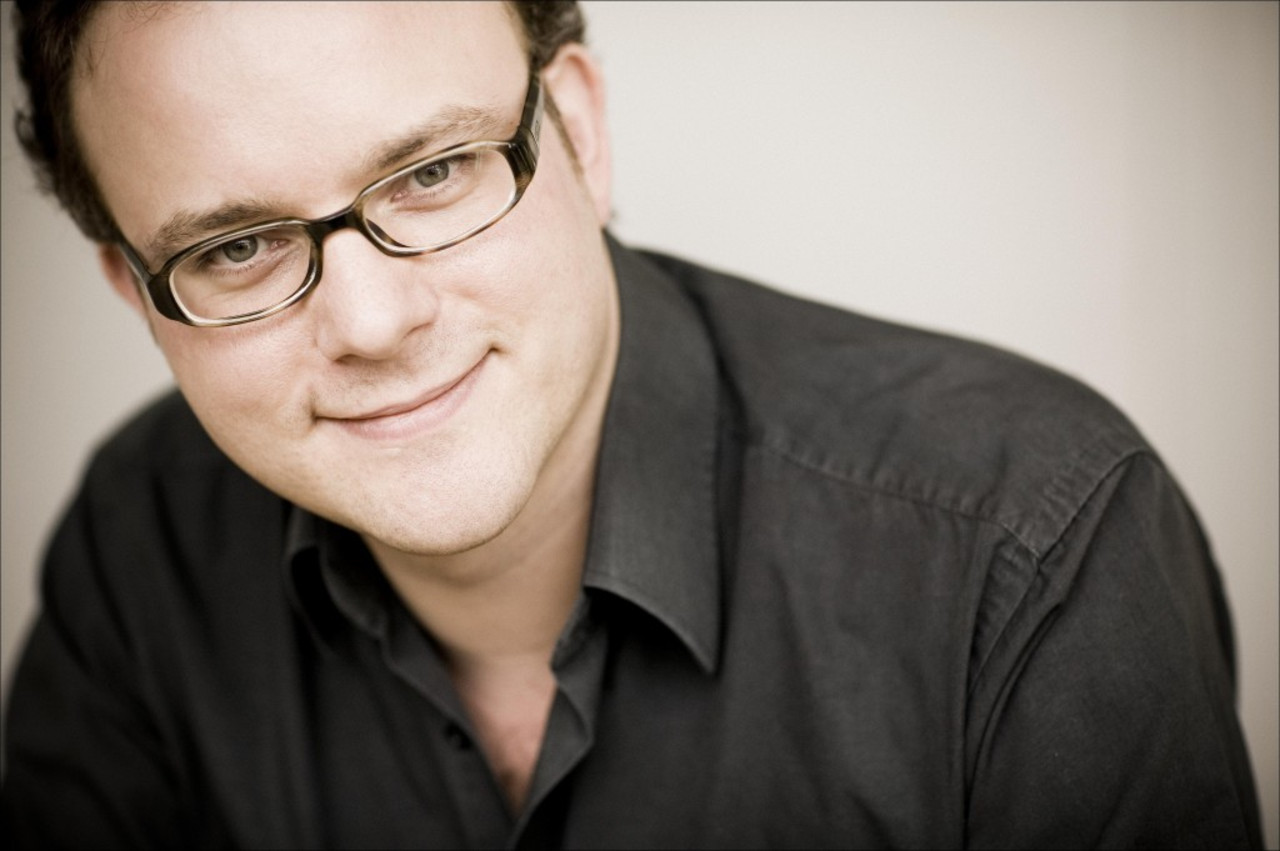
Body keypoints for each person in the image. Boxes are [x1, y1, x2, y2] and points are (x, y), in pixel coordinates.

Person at [0, 1, 1263, 847]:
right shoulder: (139, 541)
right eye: (236, 246)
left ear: (581, 132)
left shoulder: (1021, 545)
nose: (372, 320)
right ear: (138, 293)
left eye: (432, 172)